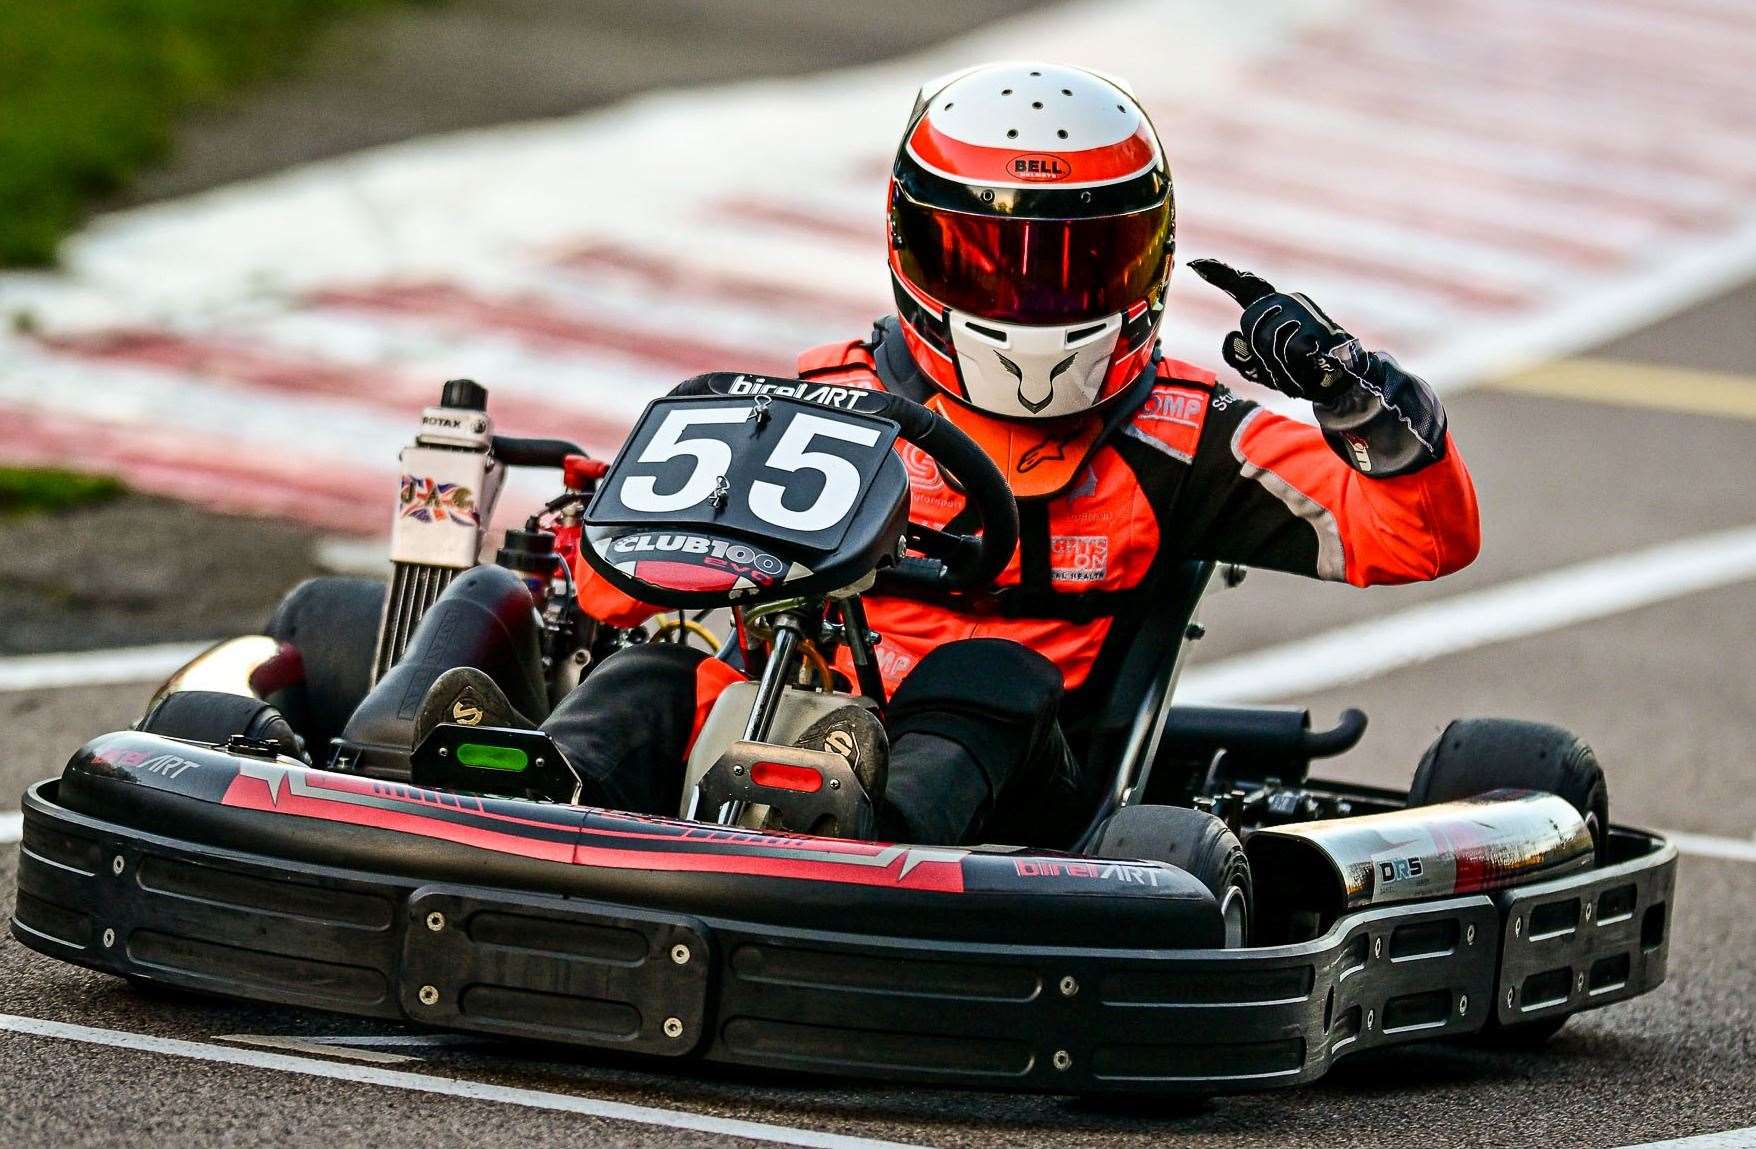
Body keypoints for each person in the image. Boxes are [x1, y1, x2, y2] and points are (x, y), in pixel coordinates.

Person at [415, 61, 1481, 848]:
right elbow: (616, 585)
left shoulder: (1187, 439)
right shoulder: (829, 399)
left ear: (1144, 260)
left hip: (1021, 802)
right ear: (912, 244)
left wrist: (1355, 397)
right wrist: (600, 565)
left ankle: (862, 846)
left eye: (1078, 263)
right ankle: (505, 816)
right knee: (654, 676)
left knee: (989, 673)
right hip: (781, 726)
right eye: (994, 259)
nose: (1034, 300)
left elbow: (1418, 537)